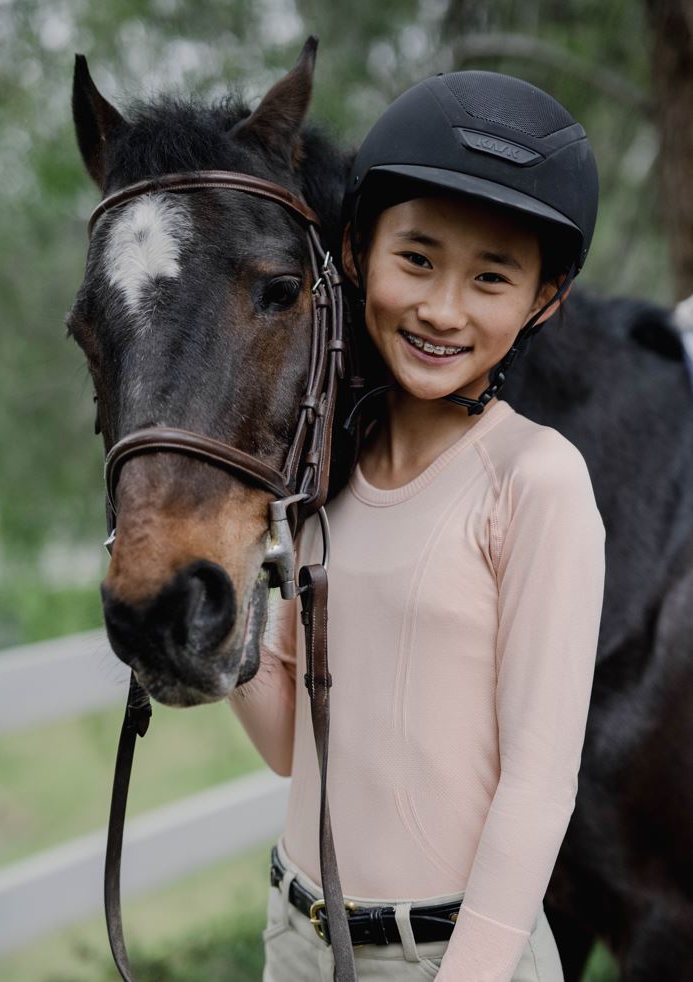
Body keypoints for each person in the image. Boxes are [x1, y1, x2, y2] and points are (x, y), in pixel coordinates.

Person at [229, 69, 605, 982]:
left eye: (490, 278)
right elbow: (288, 746)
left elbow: (539, 783)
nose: (442, 309)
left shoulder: (536, 481)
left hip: (448, 956)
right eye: (417, 259)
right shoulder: (325, 475)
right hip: (296, 937)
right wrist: (216, 585)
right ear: (356, 251)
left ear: (542, 300)